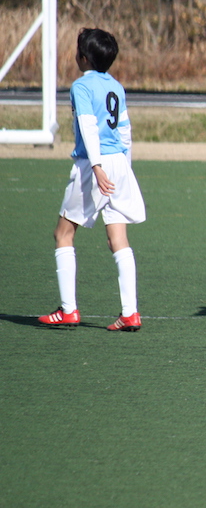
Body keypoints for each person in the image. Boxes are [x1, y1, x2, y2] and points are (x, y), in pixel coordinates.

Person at [38, 28, 146, 331]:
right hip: (119, 164)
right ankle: (130, 313)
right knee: (118, 239)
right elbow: (124, 131)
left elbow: (88, 126)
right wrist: (125, 169)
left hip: (94, 166)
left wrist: (97, 167)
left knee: (63, 233)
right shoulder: (116, 87)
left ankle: (68, 310)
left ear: (84, 58)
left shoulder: (81, 86)